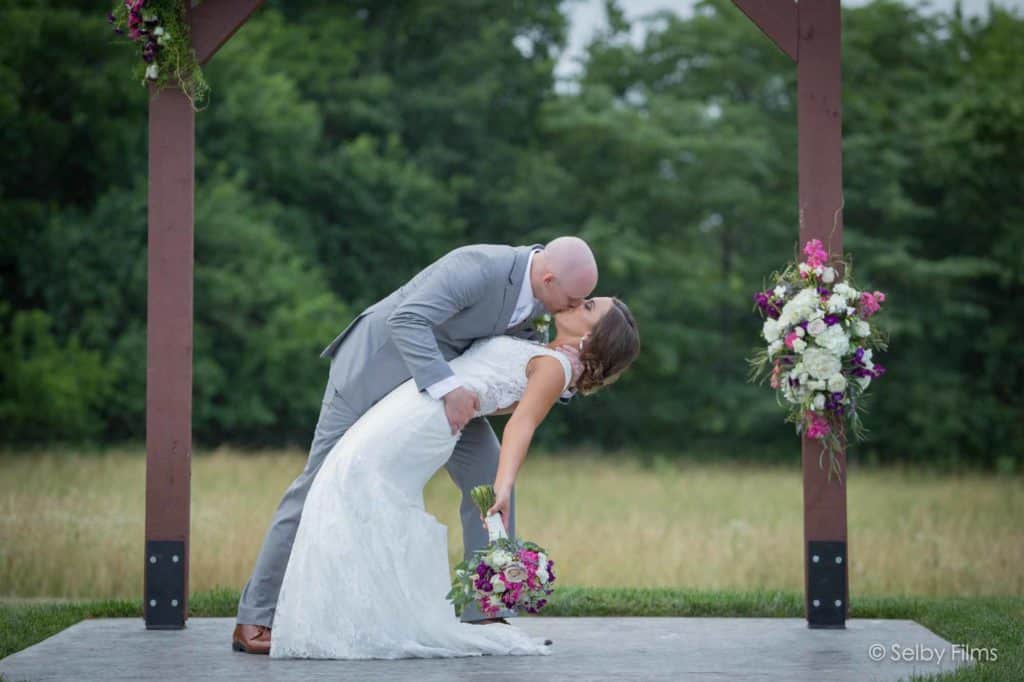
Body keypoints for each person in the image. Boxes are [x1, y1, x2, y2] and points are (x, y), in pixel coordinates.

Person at [233, 238, 601, 653]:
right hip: (374, 373)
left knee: (490, 477)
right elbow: (406, 321)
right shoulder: (479, 266)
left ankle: (487, 612)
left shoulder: (542, 299)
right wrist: (449, 389)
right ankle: (255, 618)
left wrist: (571, 375)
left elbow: (521, 362)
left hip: (444, 395)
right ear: (549, 278)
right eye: (573, 300)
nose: (573, 308)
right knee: (315, 484)